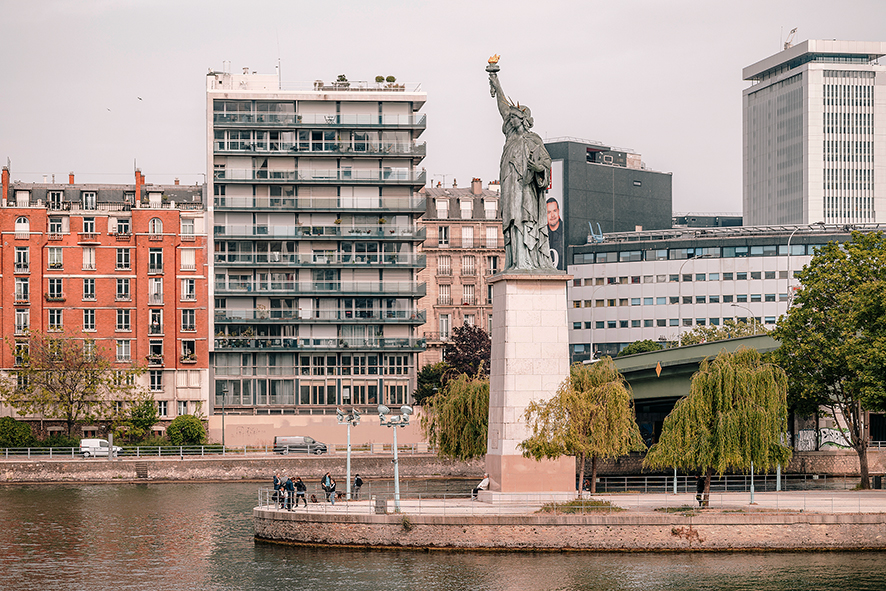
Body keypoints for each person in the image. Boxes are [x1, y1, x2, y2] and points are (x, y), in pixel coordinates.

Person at [487, 58, 555, 272]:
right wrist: (496, 82)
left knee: (524, 221)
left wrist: (538, 169)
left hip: (527, 190)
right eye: (511, 119)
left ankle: (528, 261)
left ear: (524, 120)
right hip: (510, 187)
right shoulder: (510, 139)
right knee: (511, 223)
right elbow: (503, 108)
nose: (511, 121)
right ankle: (516, 261)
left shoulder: (533, 140)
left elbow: (546, 162)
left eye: (515, 118)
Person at [546, 197, 564, 271]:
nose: (552, 215)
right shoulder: (542, 233)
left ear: (558, 211)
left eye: (554, 211)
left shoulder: (566, 231)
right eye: (549, 212)